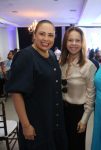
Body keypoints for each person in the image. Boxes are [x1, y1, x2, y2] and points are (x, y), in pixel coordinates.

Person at [5, 20, 68, 150]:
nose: (46, 39)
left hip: (53, 118)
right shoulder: (25, 56)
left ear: (55, 37)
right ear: (34, 35)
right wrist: (26, 125)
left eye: (50, 35)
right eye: (42, 34)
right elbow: (16, 93)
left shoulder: (51, 55)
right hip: (36, 120)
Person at [59, 26, 96, 150]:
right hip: (61, 111)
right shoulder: (61, 62)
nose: (73, 44)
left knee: (76, 145)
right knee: (63, 143)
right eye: (70, 40)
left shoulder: (88, 66)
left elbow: (91, 95)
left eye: (77, 40)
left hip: (78, 113)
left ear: (82, 43)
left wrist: (84, 119)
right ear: (65, 42)